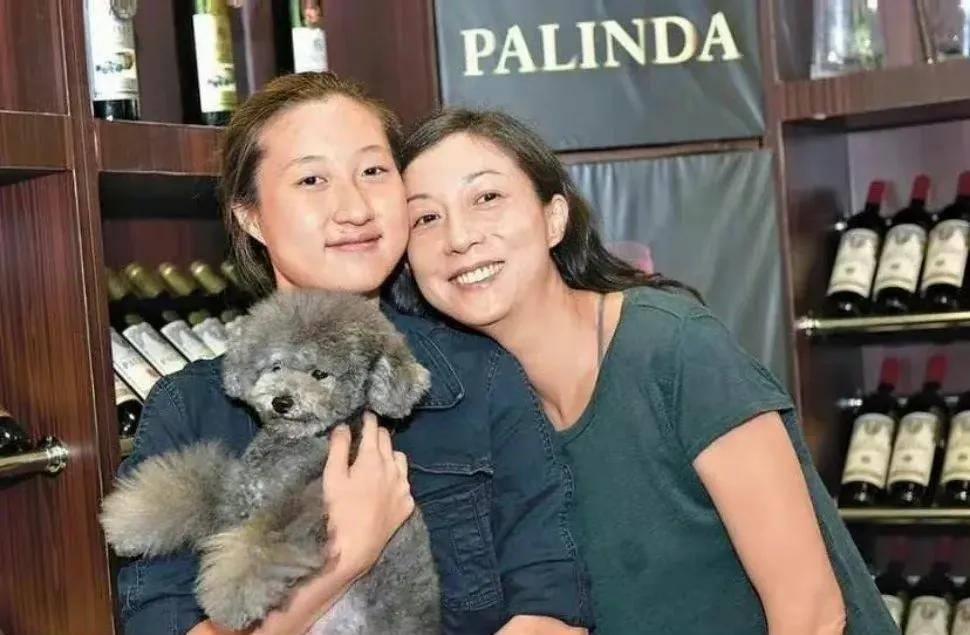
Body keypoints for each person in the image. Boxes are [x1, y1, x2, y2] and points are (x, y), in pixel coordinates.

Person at [115, 74, 592, 635]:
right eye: (312, 180)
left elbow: (554, 605)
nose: (355, 208)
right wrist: (346, 557)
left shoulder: (477, 377)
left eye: (372, 171)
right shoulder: (190, 410)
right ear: (250, 216)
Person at [397, 109, 898, 634]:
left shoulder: (672, 348)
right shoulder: (460, 420)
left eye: (486, 198)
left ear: (554, 218)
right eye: (425, 218)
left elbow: (811, 611)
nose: (459, 237)